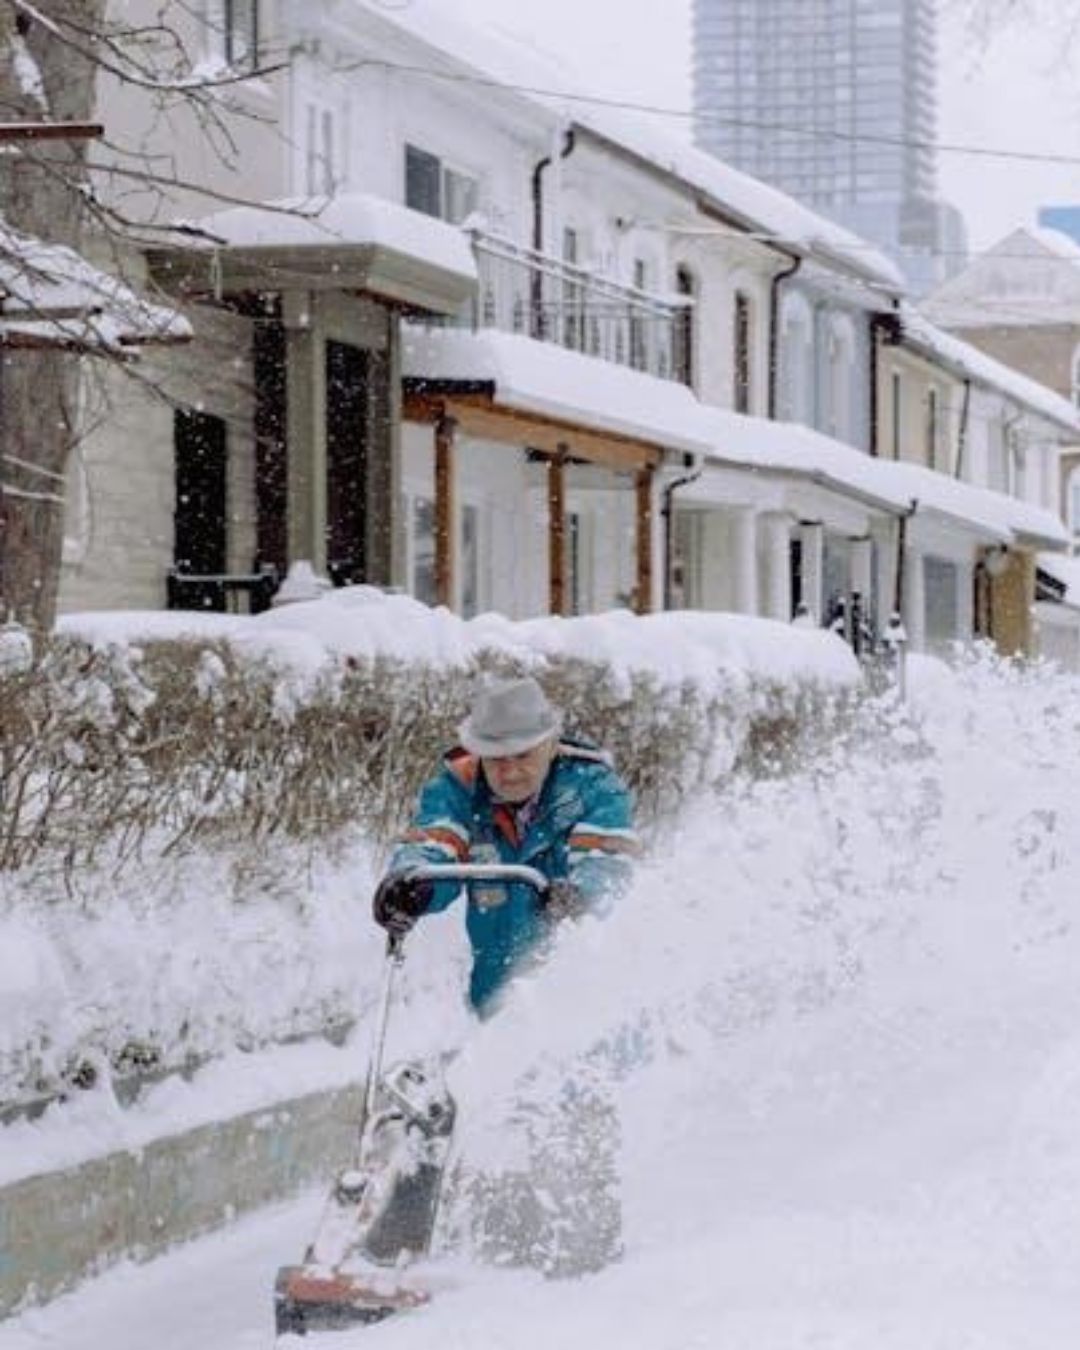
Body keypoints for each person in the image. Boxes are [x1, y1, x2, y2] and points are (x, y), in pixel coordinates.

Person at [373, 675, 639, 1014]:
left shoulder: (593, 789)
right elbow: (435, 841)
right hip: (496, 994)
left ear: (550, 745)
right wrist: (412, 883)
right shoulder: (458, 790)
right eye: (497, 759)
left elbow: (607, 865)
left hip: (582, 999)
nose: (510, 772)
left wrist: (582, 896)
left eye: (523, 755)